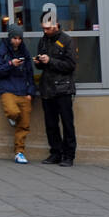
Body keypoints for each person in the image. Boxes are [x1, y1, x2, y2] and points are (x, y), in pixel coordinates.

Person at [35, 16, 78, 167]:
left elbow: (70, 65)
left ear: (56, 25)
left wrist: (50, 61)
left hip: (63, 89)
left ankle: (69, 156)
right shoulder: (43, 40)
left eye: (48, 28)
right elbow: (42, 66)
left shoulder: (67, 40)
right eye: (43, 28)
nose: (45, 31)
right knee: (51, 124)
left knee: (67, 124)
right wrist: (39, 62)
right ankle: (55, 153)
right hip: (47, 88)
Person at [0, 25, 36, 164]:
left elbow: (30, 73)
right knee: (13, 112)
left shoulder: (25, 51)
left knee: (24, 125)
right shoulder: (2, 50)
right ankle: (12, 118)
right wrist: (11, 64)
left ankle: (19, 152)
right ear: (10, 37)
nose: (17, 41)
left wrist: (31, 92)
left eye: (19, 38)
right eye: (14, 38)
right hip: (8, 89)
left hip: (24, 91)